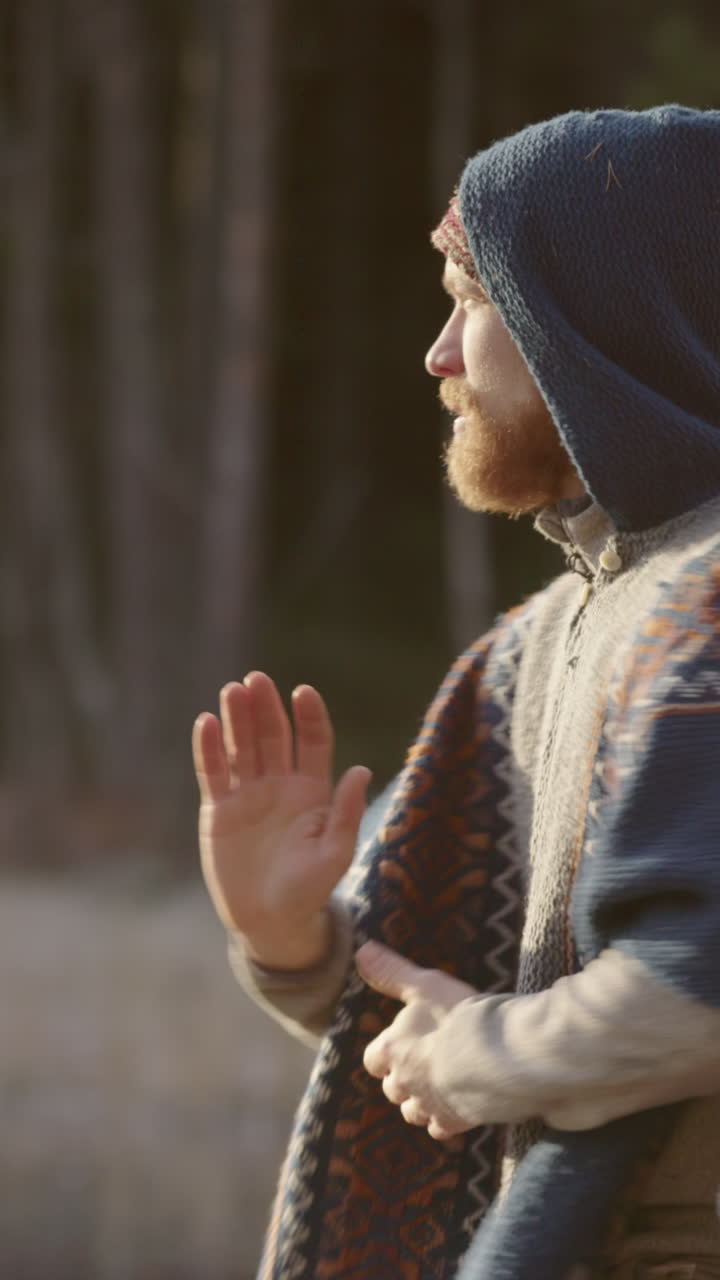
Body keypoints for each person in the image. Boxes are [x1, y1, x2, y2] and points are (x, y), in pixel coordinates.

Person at [192, 106, 720, 1280]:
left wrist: (482, 1052)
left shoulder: (710, 595)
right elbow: (427, 1024)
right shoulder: (538, 645)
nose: (435, 354)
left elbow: (694, 997)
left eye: (470, 297)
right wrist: (289, 936)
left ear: (594, 317)